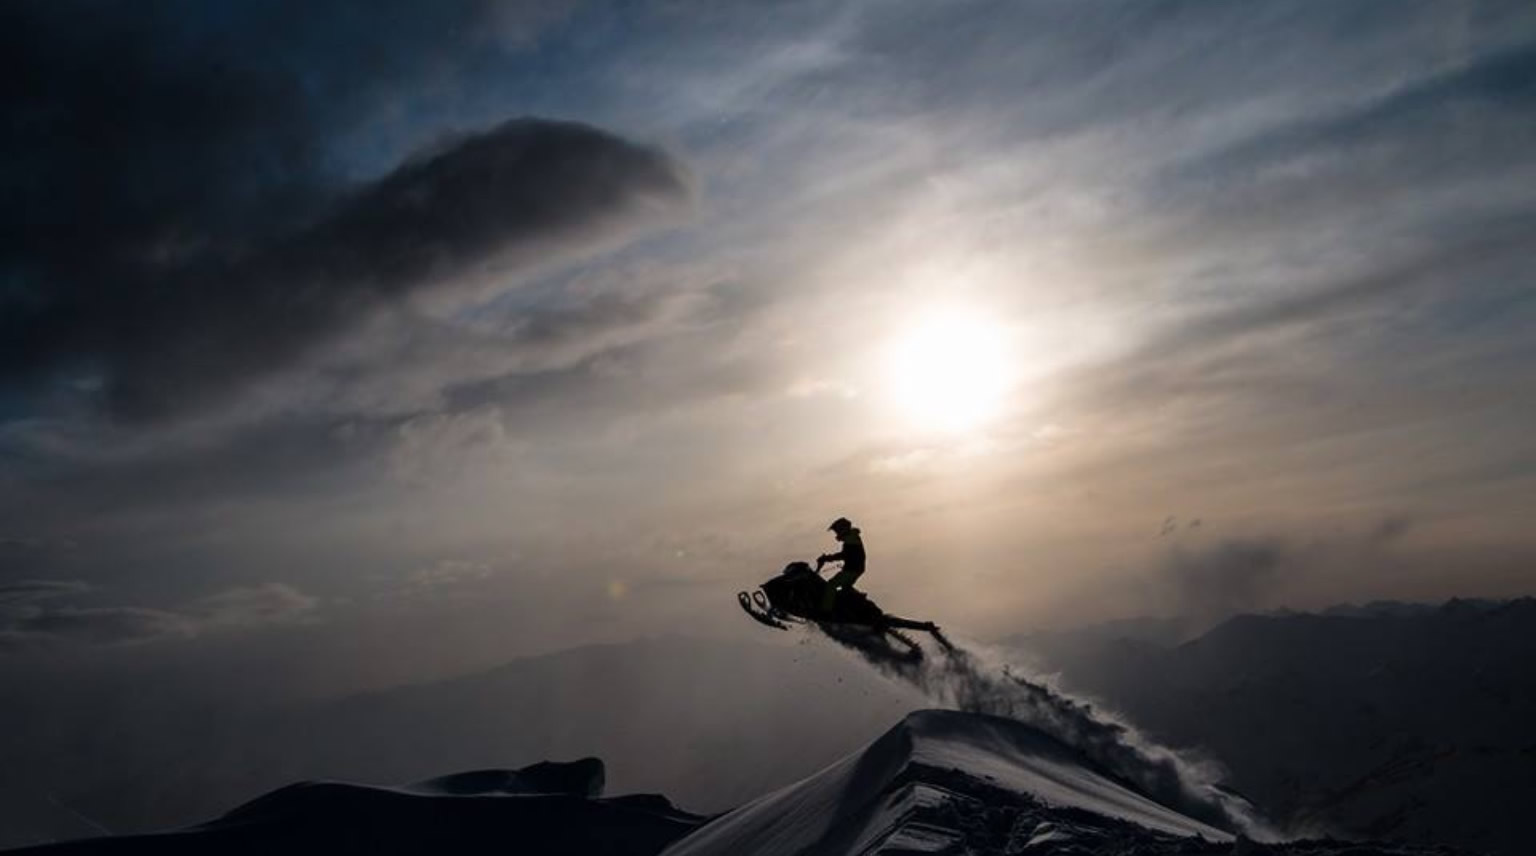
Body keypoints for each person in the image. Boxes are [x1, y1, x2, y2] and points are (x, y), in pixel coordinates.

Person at [816, 516, 865, 611]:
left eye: (837, 531)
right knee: (845, 589)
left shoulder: (851, 539)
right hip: (854, 569)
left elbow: (844, 555)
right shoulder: (851, 538)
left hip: (852, 570)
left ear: (842, 529)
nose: (836, 533)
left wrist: (827, 558)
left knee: (831, 585)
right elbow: (847, 555)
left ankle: (825, 611)